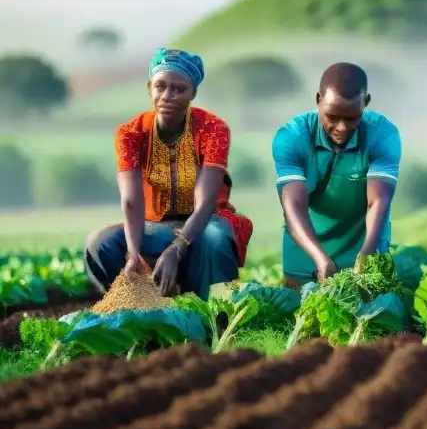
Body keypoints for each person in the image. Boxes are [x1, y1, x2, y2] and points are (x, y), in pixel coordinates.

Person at [85, 48, 254, 300]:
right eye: (160, 87)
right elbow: (131, 201)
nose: (168, 96)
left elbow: (206, 201)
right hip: (156, 226)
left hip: (205, 220)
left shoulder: (212, 128)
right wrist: (133, 255)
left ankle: (214, 312)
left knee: (215, 237)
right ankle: (134, 306)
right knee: (100, 243)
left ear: (193, 93)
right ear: (149, 88)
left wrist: (177, 247)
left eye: (179, 89)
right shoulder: (131, 133)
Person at [271, 62, 401, 287]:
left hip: (364, 241)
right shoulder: (291, 137)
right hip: (306, 244)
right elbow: (293, 206)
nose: (341, 127)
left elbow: (378, 203)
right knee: (297, 314)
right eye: (332, 116)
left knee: (372, 314)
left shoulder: (383, 134)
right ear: (318, 100)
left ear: (366, 103)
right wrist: (320, 259)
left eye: (352, 118)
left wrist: (367, 254)